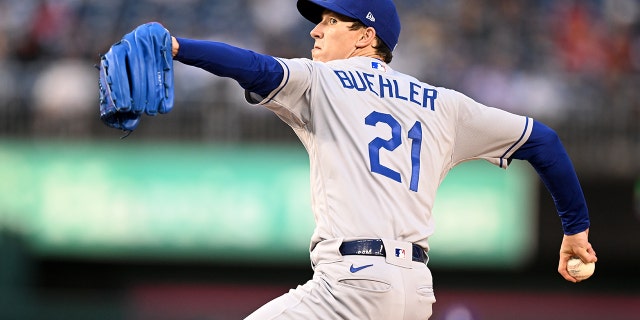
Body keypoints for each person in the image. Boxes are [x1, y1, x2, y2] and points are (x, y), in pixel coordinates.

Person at [167, 0, 597, 318]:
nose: (316, 31)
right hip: (415, 294)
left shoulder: (323, 80)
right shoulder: (444, 105)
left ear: (365, 37)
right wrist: (575, 230)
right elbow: (544, 141)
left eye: (330, 21)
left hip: (350, 284)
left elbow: (255, 67)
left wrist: (177, 46)